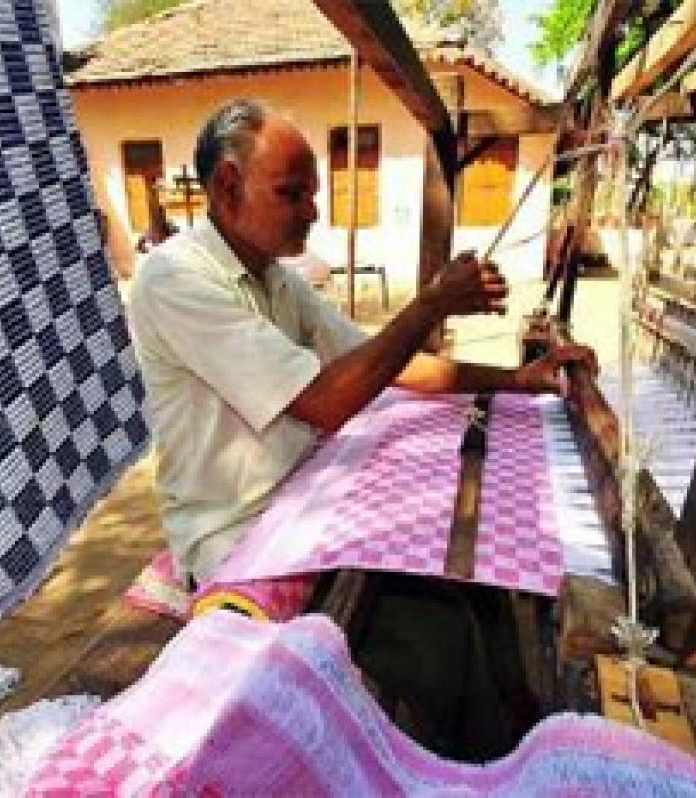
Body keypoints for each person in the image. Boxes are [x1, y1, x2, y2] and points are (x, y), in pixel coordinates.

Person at [126, 97, 597, 759]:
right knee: (435, 640)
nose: (313, 212)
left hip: (307, 509)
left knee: (472, 593)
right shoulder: (173, 280)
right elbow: (325, 400)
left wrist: (518, 380)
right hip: (239, 537)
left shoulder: (277, 282)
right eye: (292, 194)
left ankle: (513, 745)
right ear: (228, 188)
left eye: (312, 194)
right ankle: (480, 766)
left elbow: (390, 362)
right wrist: (431, 301)